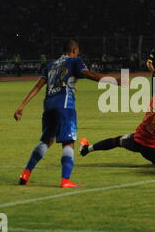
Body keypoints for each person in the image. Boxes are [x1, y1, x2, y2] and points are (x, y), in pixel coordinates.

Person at [13, 39, 119, 188]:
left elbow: (38, 86)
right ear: (74, 51)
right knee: (68, 142)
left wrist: (21, 106)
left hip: (49, 105)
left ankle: (25, 173)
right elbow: (90, 75)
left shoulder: (51, 65)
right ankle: (65, 180)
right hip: (64, 106)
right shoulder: (75, 61)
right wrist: (113, 80)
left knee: (47, 141)